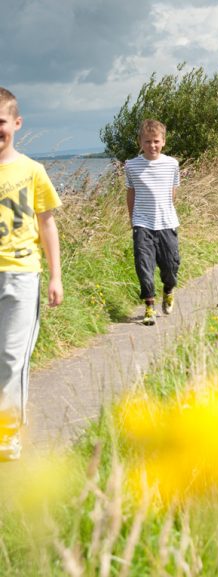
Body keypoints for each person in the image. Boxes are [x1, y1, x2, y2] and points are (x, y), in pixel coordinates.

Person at [0, 87, 63, 461]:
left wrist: (55, 276)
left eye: (1, 123)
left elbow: (47, 224)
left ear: (17, 123)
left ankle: (8, 434)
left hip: (22, 274)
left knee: (12, 357)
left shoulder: (32, 171)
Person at [125, 119, 181, 326]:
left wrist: (167, 210)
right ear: (140, 142)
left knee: (171, 266)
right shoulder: (131, 165)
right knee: (144, 266)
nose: (152, 146)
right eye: (147, 141)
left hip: (167, 223)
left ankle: (168, 290)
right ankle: (149, 306)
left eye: (156, 141)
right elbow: (131, 193)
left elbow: (173, 191)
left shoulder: (172, 164)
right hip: (142, 223)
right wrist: (133, 221)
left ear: (163, 141)